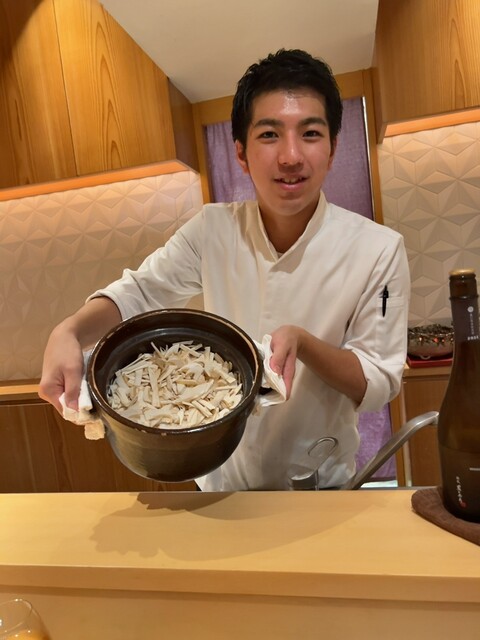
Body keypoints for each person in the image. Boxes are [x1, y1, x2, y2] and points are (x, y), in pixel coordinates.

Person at [39, 49, 410, 491]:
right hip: (219, 483)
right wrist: (67, 331)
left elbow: (378, 382)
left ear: (332, 150)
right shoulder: (213, 229)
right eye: (269, 134)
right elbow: (140, 291)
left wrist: (305, 344)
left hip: (317, 487)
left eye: (310, 133)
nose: (291, 156)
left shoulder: (378, 249)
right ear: (241, 153)